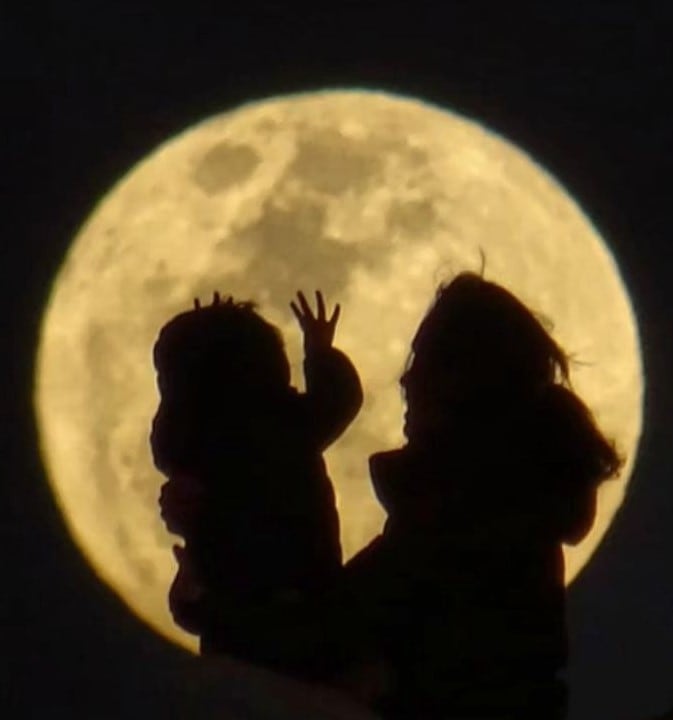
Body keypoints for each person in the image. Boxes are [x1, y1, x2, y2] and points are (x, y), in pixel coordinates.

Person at [342, 272, 622, 718]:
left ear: (466, 381)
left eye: (426, 362)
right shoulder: (501, 507)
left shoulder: (464, 519)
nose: (407, 381)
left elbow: (329, 628)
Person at [150, 290, 363, 679]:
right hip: (304, 602)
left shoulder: (194, 445)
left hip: (237, 616)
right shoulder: (286, 423)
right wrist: (319, 352)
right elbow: (340, 398)